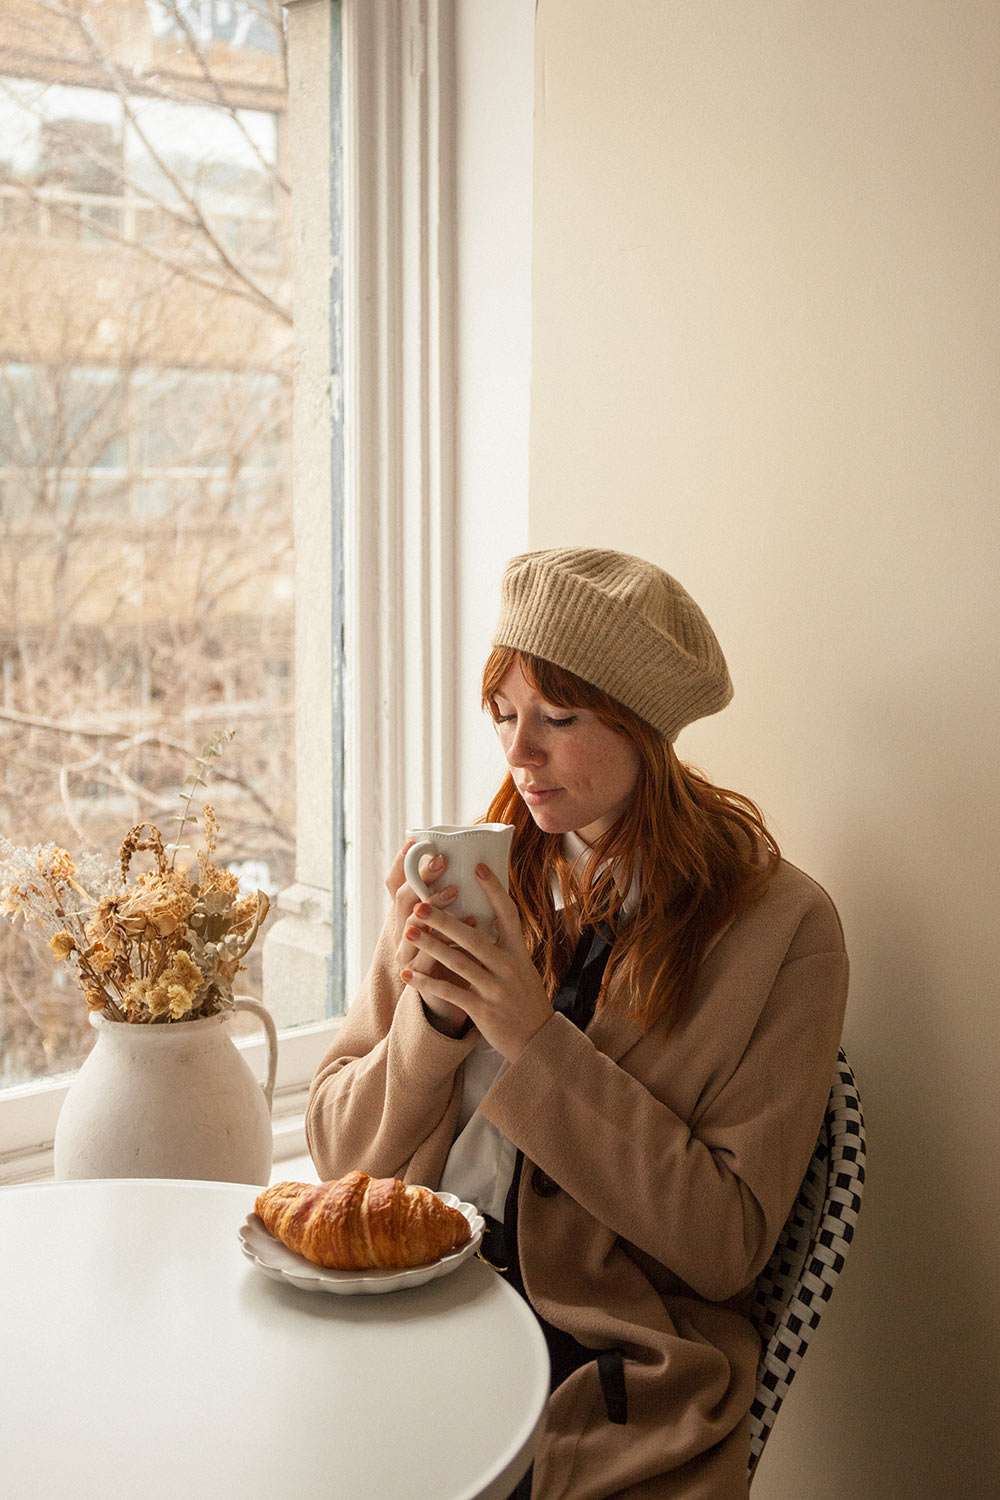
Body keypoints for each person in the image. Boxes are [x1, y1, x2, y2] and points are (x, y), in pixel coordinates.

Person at [305, 547, 848, 1500]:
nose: (519, 753)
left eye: (558, 718)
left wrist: (531, 1038)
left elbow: (727, 1246)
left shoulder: (782, 931)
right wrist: (432, 1022)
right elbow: (337, 1156)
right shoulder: (468, 873)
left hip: (598, 1369)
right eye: (506, 715)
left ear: (644, 730)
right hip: (413, 1312)